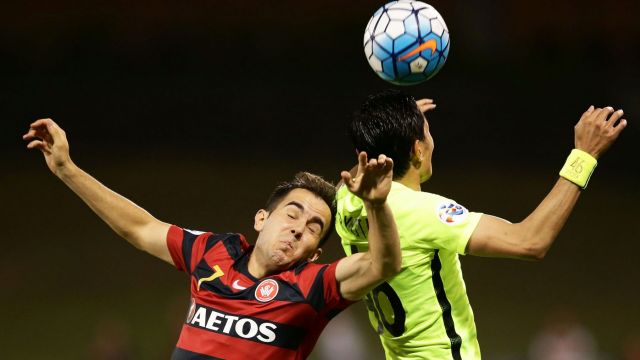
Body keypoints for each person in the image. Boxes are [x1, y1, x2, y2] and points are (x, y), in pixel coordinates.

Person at [23, 118, 402, 360]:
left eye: (314, 227)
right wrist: (67, 170)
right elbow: (140, 228)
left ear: (315, 252)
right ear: (261, 219)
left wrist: (376, 205)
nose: (299, 227)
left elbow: (382, 264)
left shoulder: (311, 286)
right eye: (292, 212)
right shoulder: (215, 251)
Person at [335, 90, 627, 359]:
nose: (432, 141)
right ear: (417, 150)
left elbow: (353, 173)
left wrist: (390, 132)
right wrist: (584, 156)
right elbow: (530, 241)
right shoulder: (423, 212)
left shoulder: (347, 198)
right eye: (427, 134)